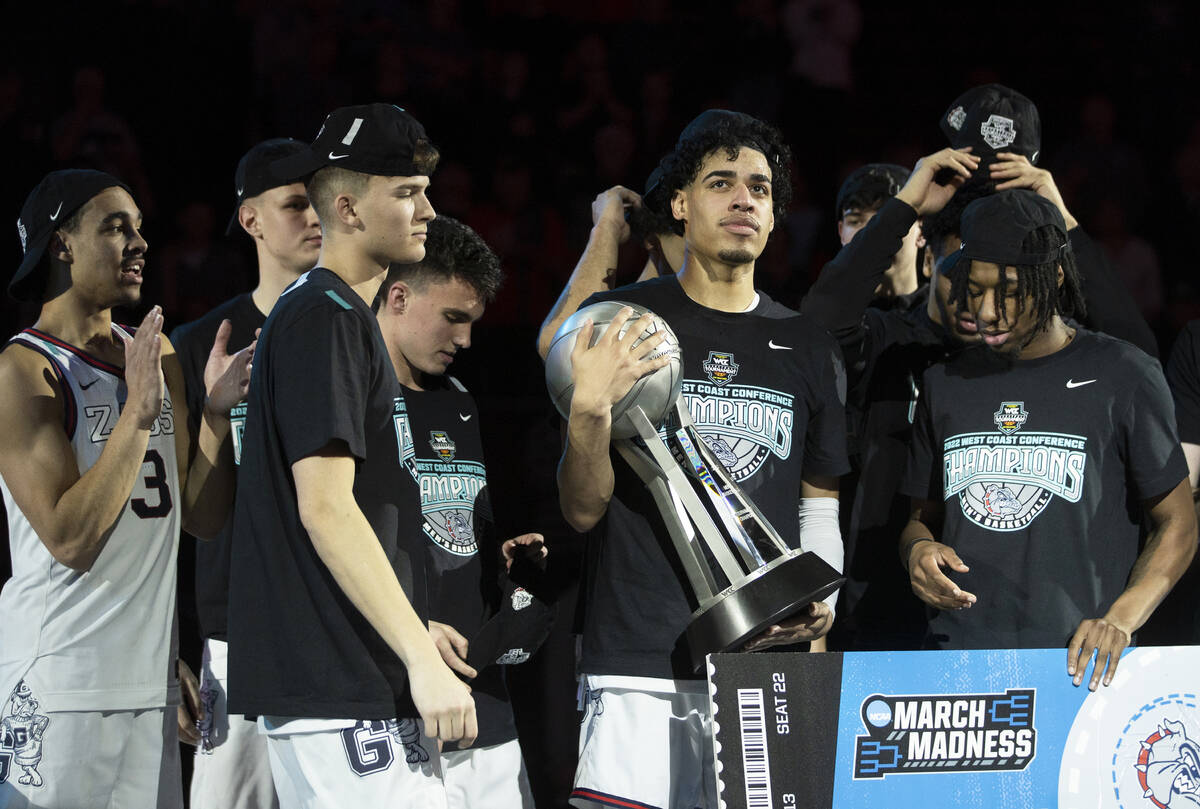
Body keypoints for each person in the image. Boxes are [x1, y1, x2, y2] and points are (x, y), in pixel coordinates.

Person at [558, 111, 849, 809]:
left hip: (765, 669)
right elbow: (581, 507)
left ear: (776, 214)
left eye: (760, 188)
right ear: (682, 206)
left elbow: (818, 506)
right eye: (722, 183)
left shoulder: (809, 345)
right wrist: (589, 416)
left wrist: (824, 606)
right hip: (639, 664)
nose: (744, 199)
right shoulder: (619, 321)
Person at [225, 103, 474, 808]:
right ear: (348, 208)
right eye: (406, 191)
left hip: (343, 671)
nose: (428, 208)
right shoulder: (324, 318)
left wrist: (405, 621)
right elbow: (326, 510)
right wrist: (420, 659)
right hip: (334, 680)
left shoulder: (333, 314)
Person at [0, 169, 252, 807]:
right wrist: (138, 414)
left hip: (147, 686)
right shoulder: (23, 368)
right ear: (61, 246)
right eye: (115, 228)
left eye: (139, 227)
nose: (139, 242)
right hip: (59, 687)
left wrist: (217, 419)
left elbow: (200, 516)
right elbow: (70, 538)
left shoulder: (155, 352)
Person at [900, 189, 1196, 690]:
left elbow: (1178, 524)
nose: (988, 312)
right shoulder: (944, 382)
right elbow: (919, 519)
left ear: (1054, 276)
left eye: (1010, 291)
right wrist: (917, 552)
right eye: (975, 289)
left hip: (1080, 670)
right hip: (958, 668)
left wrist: (1121, 619)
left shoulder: (1123, 374)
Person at [376, 214, 550, 809]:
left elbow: (453, 524)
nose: (467, 340)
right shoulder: (349, 396)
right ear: (398, 297)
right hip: (391, 688)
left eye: (473, 322)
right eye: (453, 317)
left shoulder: (459, 402)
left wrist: (498, 553)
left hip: (480, 688)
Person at [171, 137, 322, 809]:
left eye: (322, 201)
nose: (315, 216)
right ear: (250, 219)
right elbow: (173, 516)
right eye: (295, 204)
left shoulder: (363, 327)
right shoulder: (200, 342)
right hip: (234, 637)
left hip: (338, 626)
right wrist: (171, 646)